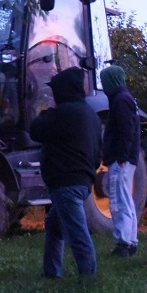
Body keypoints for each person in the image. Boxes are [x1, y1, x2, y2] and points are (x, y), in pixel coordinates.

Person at [29, 66, 101, 279]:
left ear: (64, 90)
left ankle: (89, 278)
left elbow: (35, 130)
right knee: (54, 226)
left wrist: (48, 110)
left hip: (65, 184)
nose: (53, 95)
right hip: (83, 182)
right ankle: (51, 273)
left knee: (77, 234)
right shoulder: (92, 116)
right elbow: (99, 152)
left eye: (56, 90)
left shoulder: (62, 113)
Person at [100, 64, 141, 258]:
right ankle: (131, 241)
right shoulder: (125, 99)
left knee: (118, 201)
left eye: (104, 80)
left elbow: (127, 131)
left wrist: (121, 157)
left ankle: (123, 243)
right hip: (124, 159)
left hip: (120, 160)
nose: (102, 84)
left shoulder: (121, 101)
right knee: (126, 200)